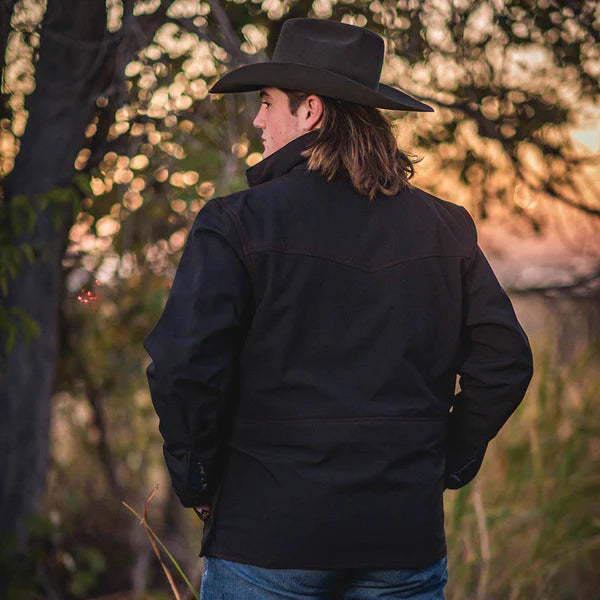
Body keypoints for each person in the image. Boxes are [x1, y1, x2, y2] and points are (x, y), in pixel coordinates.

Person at [144, 18, 533, 600]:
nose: (258, 121)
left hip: (265, 541)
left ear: (310, 112)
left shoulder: (236, 223)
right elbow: (505, 362)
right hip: (402, 540)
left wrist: (198, 480)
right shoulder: (445, 228)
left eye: (267, 102)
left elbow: (183, 367)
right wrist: (444, 462)